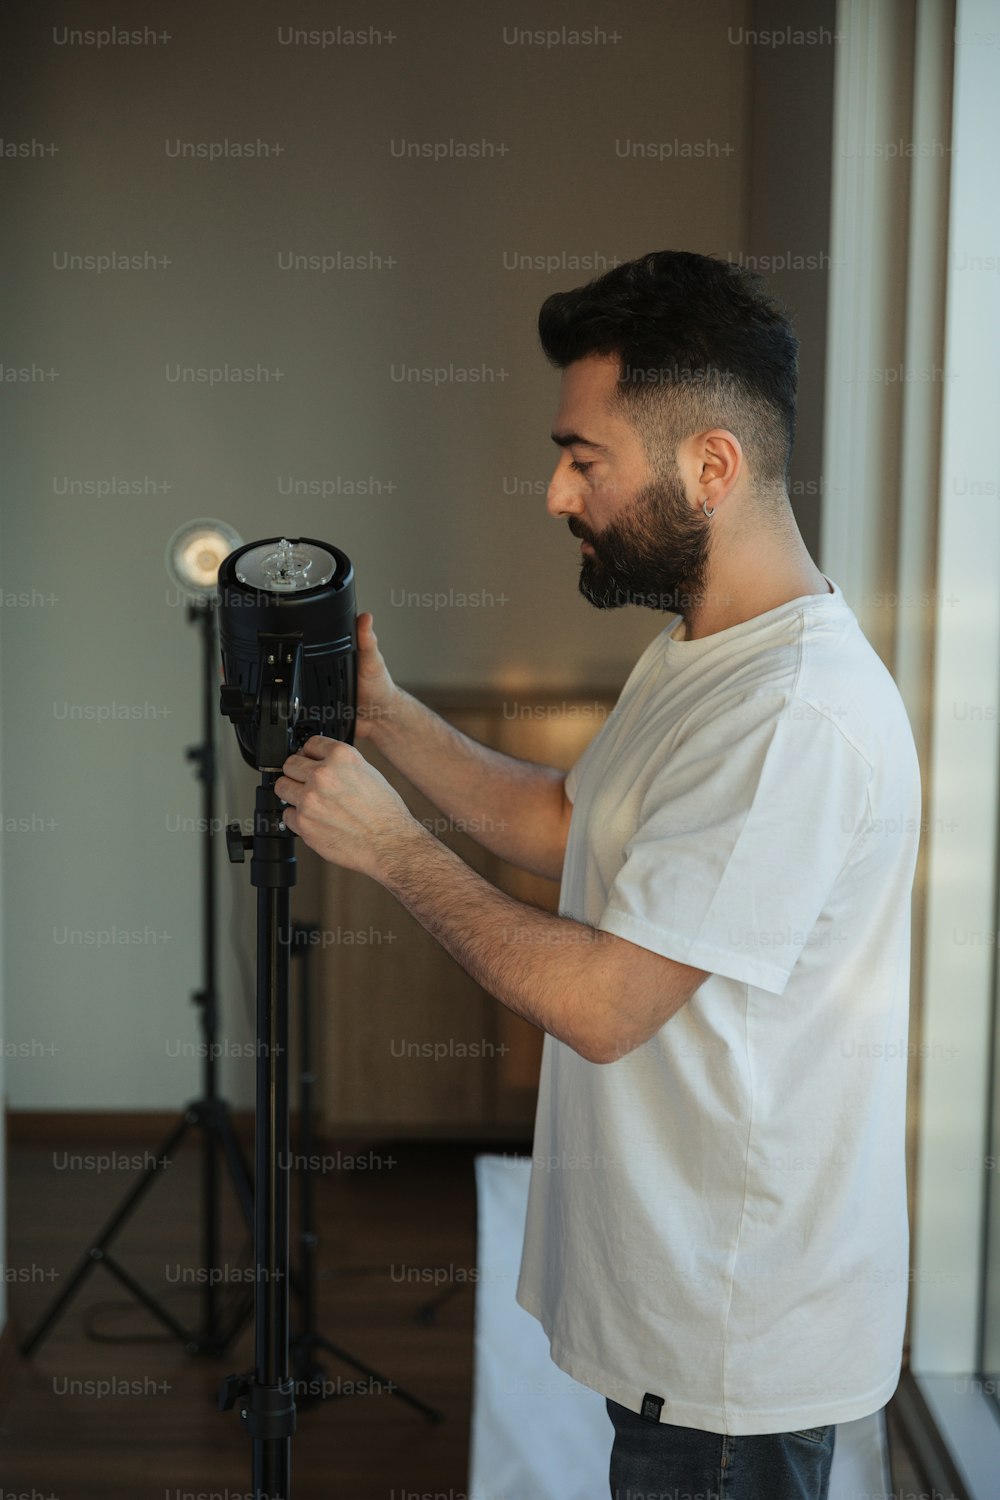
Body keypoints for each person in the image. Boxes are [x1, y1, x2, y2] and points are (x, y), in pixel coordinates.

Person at [275, 250, 922, 1500]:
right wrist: (390, 719)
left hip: (735, 1332)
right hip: (673, 1299)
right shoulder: (707, 651)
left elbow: (606, 1005)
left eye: (586, 458)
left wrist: (391, 850)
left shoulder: (793, 716)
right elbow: (575, 818)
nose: (557, 493)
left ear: (710, 466)